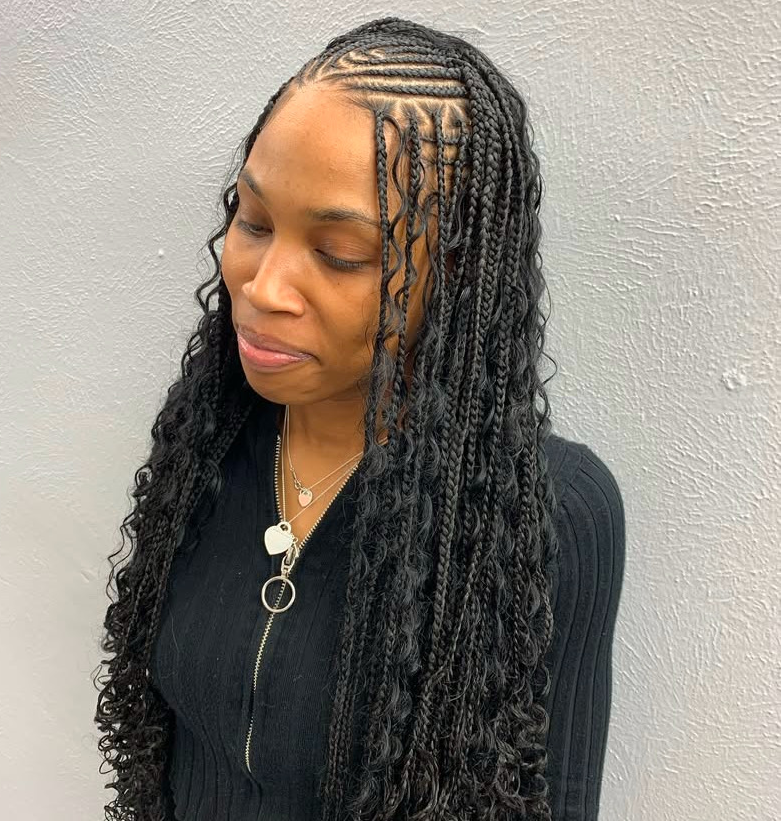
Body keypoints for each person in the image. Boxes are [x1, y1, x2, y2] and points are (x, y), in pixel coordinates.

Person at [93, 16, 625, 821]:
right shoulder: (209, 449)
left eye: (339, 253)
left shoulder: (545, 513)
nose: (263, 286)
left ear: (454, 270)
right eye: (253, 220)